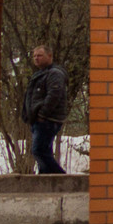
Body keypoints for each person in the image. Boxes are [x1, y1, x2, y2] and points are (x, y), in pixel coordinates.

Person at [23, 46, 69, 175]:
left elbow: (54, 95)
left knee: (39, 150)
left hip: (48, 120)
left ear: (50, 56)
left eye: (40, 55)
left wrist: (42, 114)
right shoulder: (40, 74)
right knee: (44, 151)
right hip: (38, 120)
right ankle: (46, 179)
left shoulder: (55, 73)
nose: (36, 58)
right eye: (34, 56)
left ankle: (61, 178)